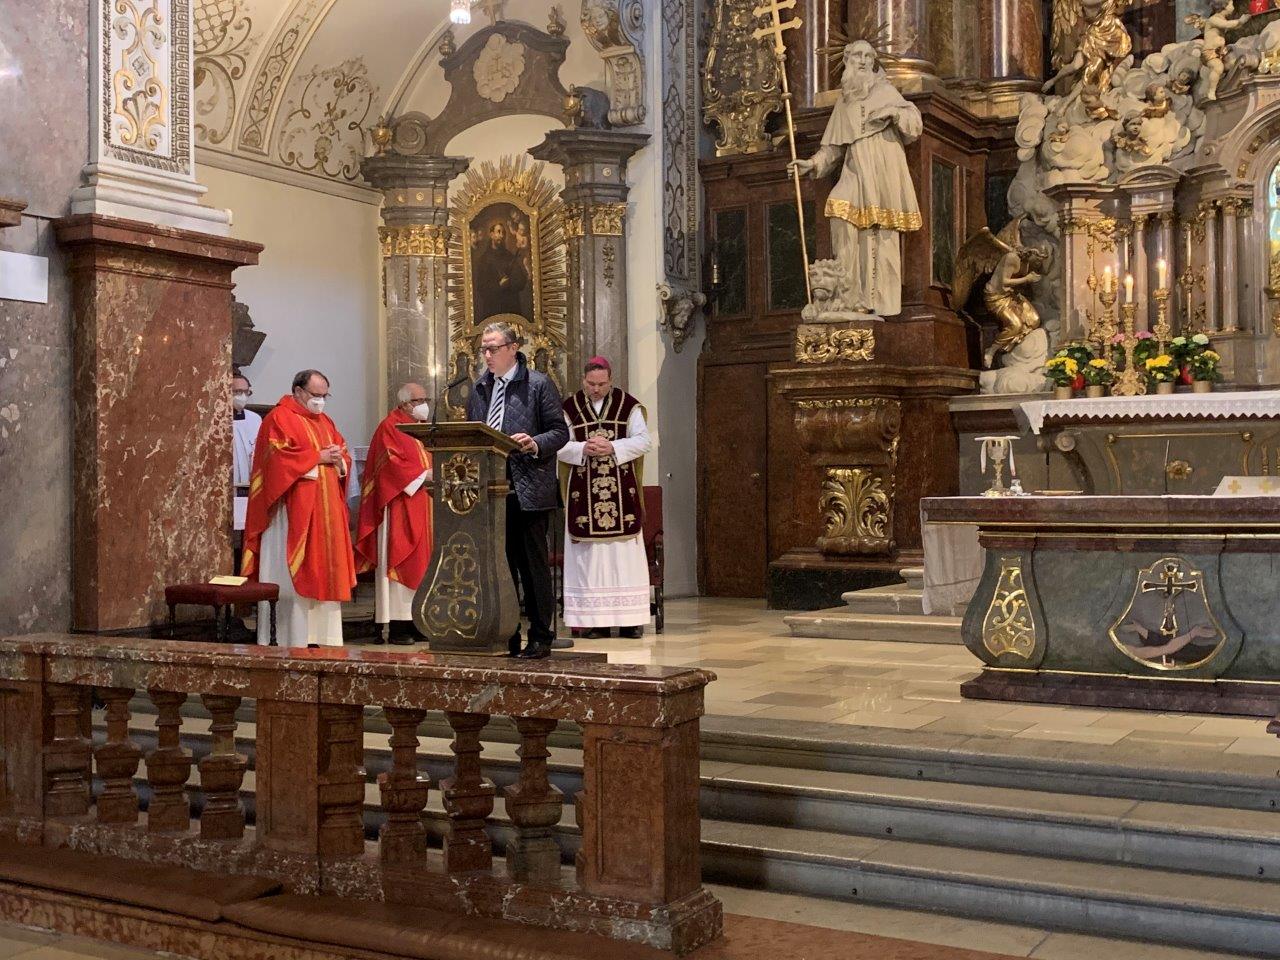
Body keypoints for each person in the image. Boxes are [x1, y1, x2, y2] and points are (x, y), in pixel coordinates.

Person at [788, 40, 922, 316]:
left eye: (868, 56)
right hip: (855, 170)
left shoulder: (885, 91)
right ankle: (848, 294)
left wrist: (894, 113)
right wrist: (812, 164)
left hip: (883, 168)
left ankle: (877, 301)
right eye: (857, 56)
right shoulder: (844, 101)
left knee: (880, 231)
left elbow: (914, 122)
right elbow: (833, 147)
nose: (862, 61)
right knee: (839, 209)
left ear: (873, 62)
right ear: (847, 60)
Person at [466, 321, 568, 659]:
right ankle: (506, 634)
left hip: (529, 488)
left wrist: (534, 443)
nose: (487, 355)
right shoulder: (480, 387)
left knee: (532, 566)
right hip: (491, 488)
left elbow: (560, 432)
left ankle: (540, 635)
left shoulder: (538, 384)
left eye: (493, 348)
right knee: (500, 565)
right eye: (483, 348)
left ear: (513, 348)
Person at [241, 369, 356, 648]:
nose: (320, 401)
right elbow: (275, 460)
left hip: (326, 511)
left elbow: (342, 451)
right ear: (298, 391)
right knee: (292, 571)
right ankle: (290, 635)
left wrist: (339, 459)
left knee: (324, 569)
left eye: (325, 395)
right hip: (291, 511)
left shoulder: (325, 421)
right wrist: (317, 457)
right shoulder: (279, 418)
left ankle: (322, 636)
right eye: (315, 395)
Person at [557, 357, 652, 639]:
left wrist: (613, 446)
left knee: (625, 558)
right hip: (583, 494)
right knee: (590, 560)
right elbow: (557, 445)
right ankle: (594, 621)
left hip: (622, 494)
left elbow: (644, 441)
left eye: (601, 384)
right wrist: (581, 449)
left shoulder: (628, 406)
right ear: (583, 381)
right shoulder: (570, 408)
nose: (596, 389)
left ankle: (630, 621)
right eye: (591, 384)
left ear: (611, 381)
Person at [354, 384, 434, 645]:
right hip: (400, 503)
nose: (424, 404)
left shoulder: (423, 427)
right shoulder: (390, 427)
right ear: (405, 404)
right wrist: (422, 475)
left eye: (426, 399)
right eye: (419, 400)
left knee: (425, 563)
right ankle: (399, 625)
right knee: (402, 559)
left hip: (425, 503)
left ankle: (419, 621)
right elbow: (390, 464)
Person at [231, 370, 261, 566]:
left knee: (246, 535)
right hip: (228, 485)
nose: (242, 396)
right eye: (236, 392)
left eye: (246, 392)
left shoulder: (255, 419)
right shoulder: (215, 418)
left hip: (248, 485)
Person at [473, 222, 529, 321]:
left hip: (511, 310)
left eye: (503, 233)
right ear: (491, 235)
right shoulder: (483, 260)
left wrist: (510, 283)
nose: (502, 235)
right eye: (498, 232)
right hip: (493, 311)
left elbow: (521, 281)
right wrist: (499, 285)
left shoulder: (509, 256)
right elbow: (481, 288)